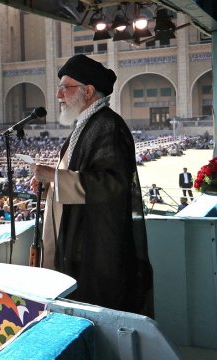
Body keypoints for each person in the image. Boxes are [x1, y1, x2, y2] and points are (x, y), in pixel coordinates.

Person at [31, 53, 153, 315]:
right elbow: (76, 176)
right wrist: (49, 186)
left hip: (96, 247)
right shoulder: (86, 125)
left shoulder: (108, 126)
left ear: (88, 91)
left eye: (66, 87)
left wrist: (53, 176)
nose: (59, 95)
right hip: (80, 241)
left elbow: (112, 182)